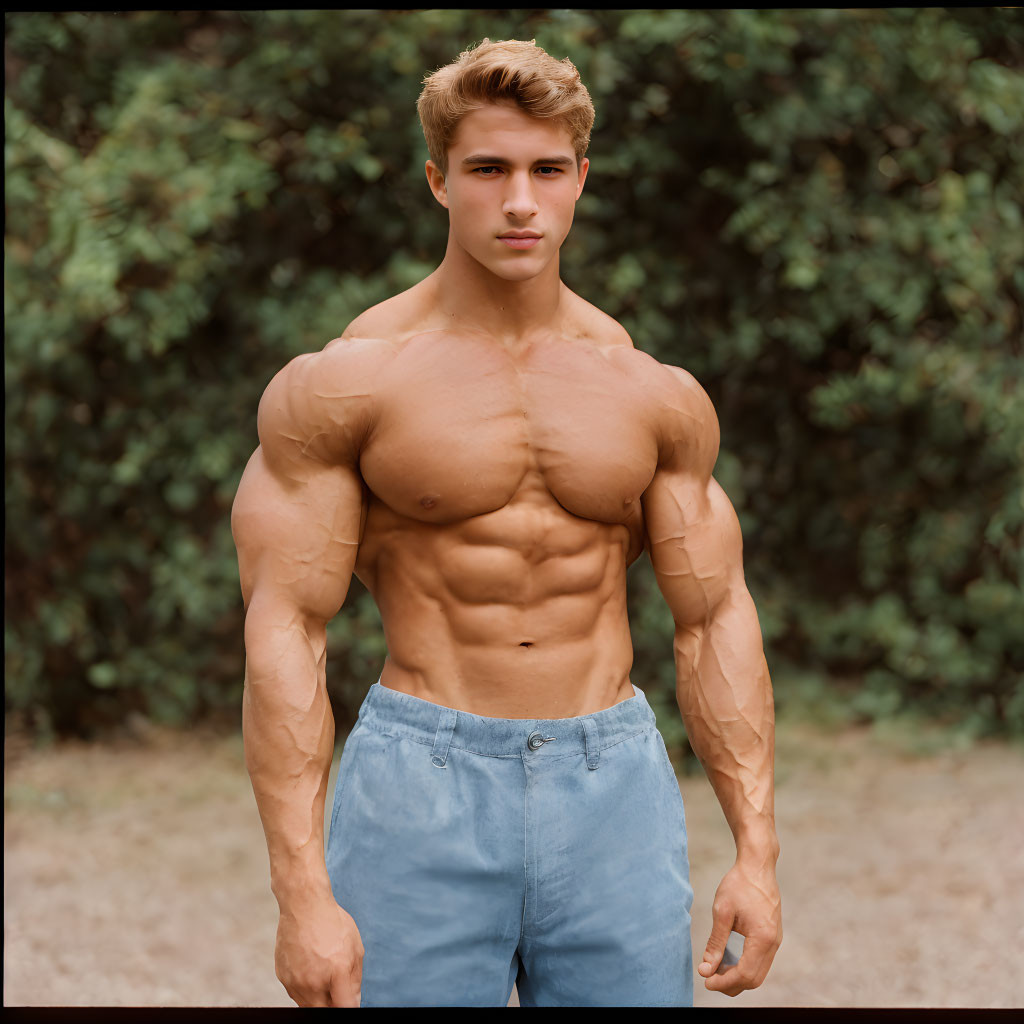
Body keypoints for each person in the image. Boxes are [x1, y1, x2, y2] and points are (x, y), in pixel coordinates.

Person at [230, 37, 782, 1008]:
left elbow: (712, 616)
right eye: (488, 169)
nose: (519, 200)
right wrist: (300, 891)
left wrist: (757, 855)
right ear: (439, 179)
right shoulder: (348, 382)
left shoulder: (647, 390)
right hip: (419, 780)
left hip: (611, 776)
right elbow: (285, 627)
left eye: (545, 169)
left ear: (579, 178)